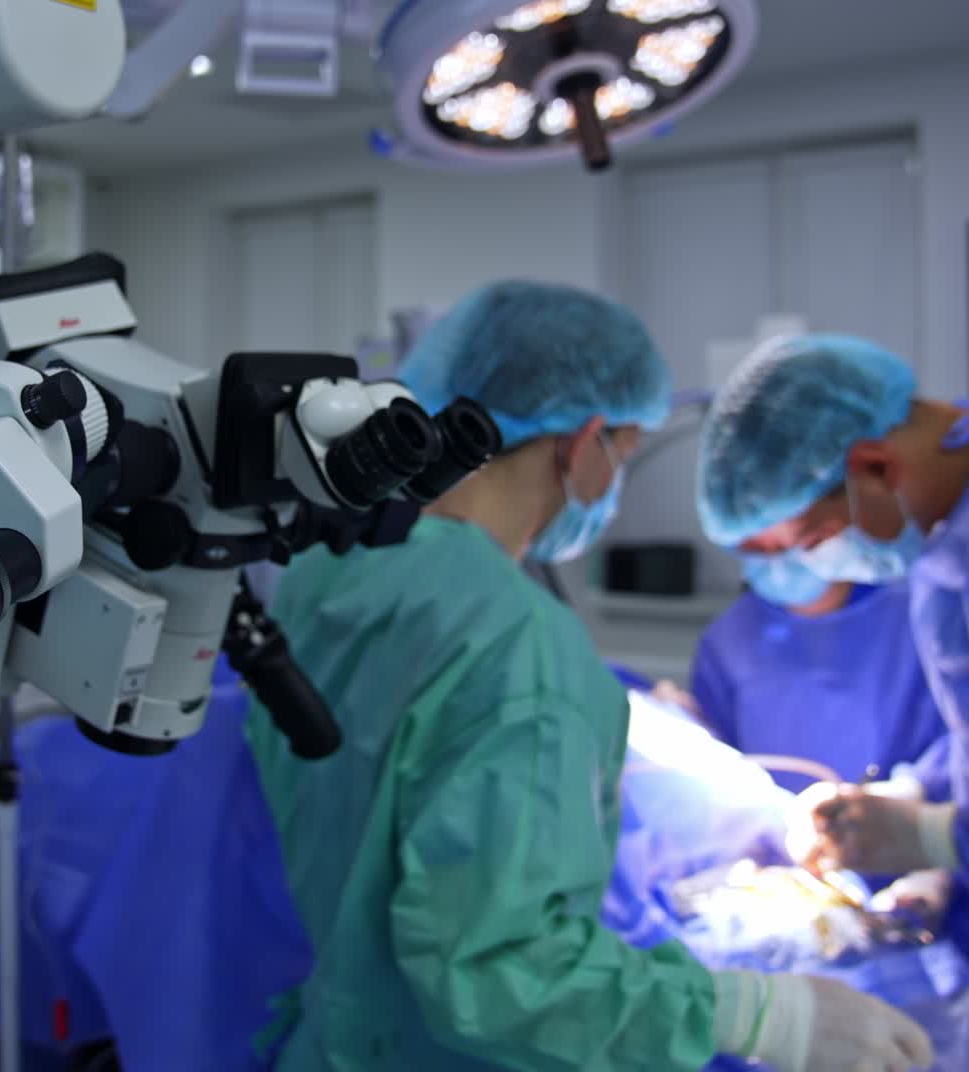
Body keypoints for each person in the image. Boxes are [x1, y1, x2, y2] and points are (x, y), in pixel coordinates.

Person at [245, 284, 931, 1072]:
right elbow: (500, 973)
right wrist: (758, 1014)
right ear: (586, 442)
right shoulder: (517, 644)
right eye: (627, 454)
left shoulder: (328, 578)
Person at [695, 333, 969, 891]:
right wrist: (920, 795)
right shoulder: (942, 565)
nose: (821, 563)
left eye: (816, 537)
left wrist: (937, 836)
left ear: (872, 467)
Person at [691, 561, 950, 797]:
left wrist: (912, 791)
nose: (771, 555)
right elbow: (716, 758)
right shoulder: (731, 636)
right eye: (755, 546)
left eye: (780, 544)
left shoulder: (918, 618)